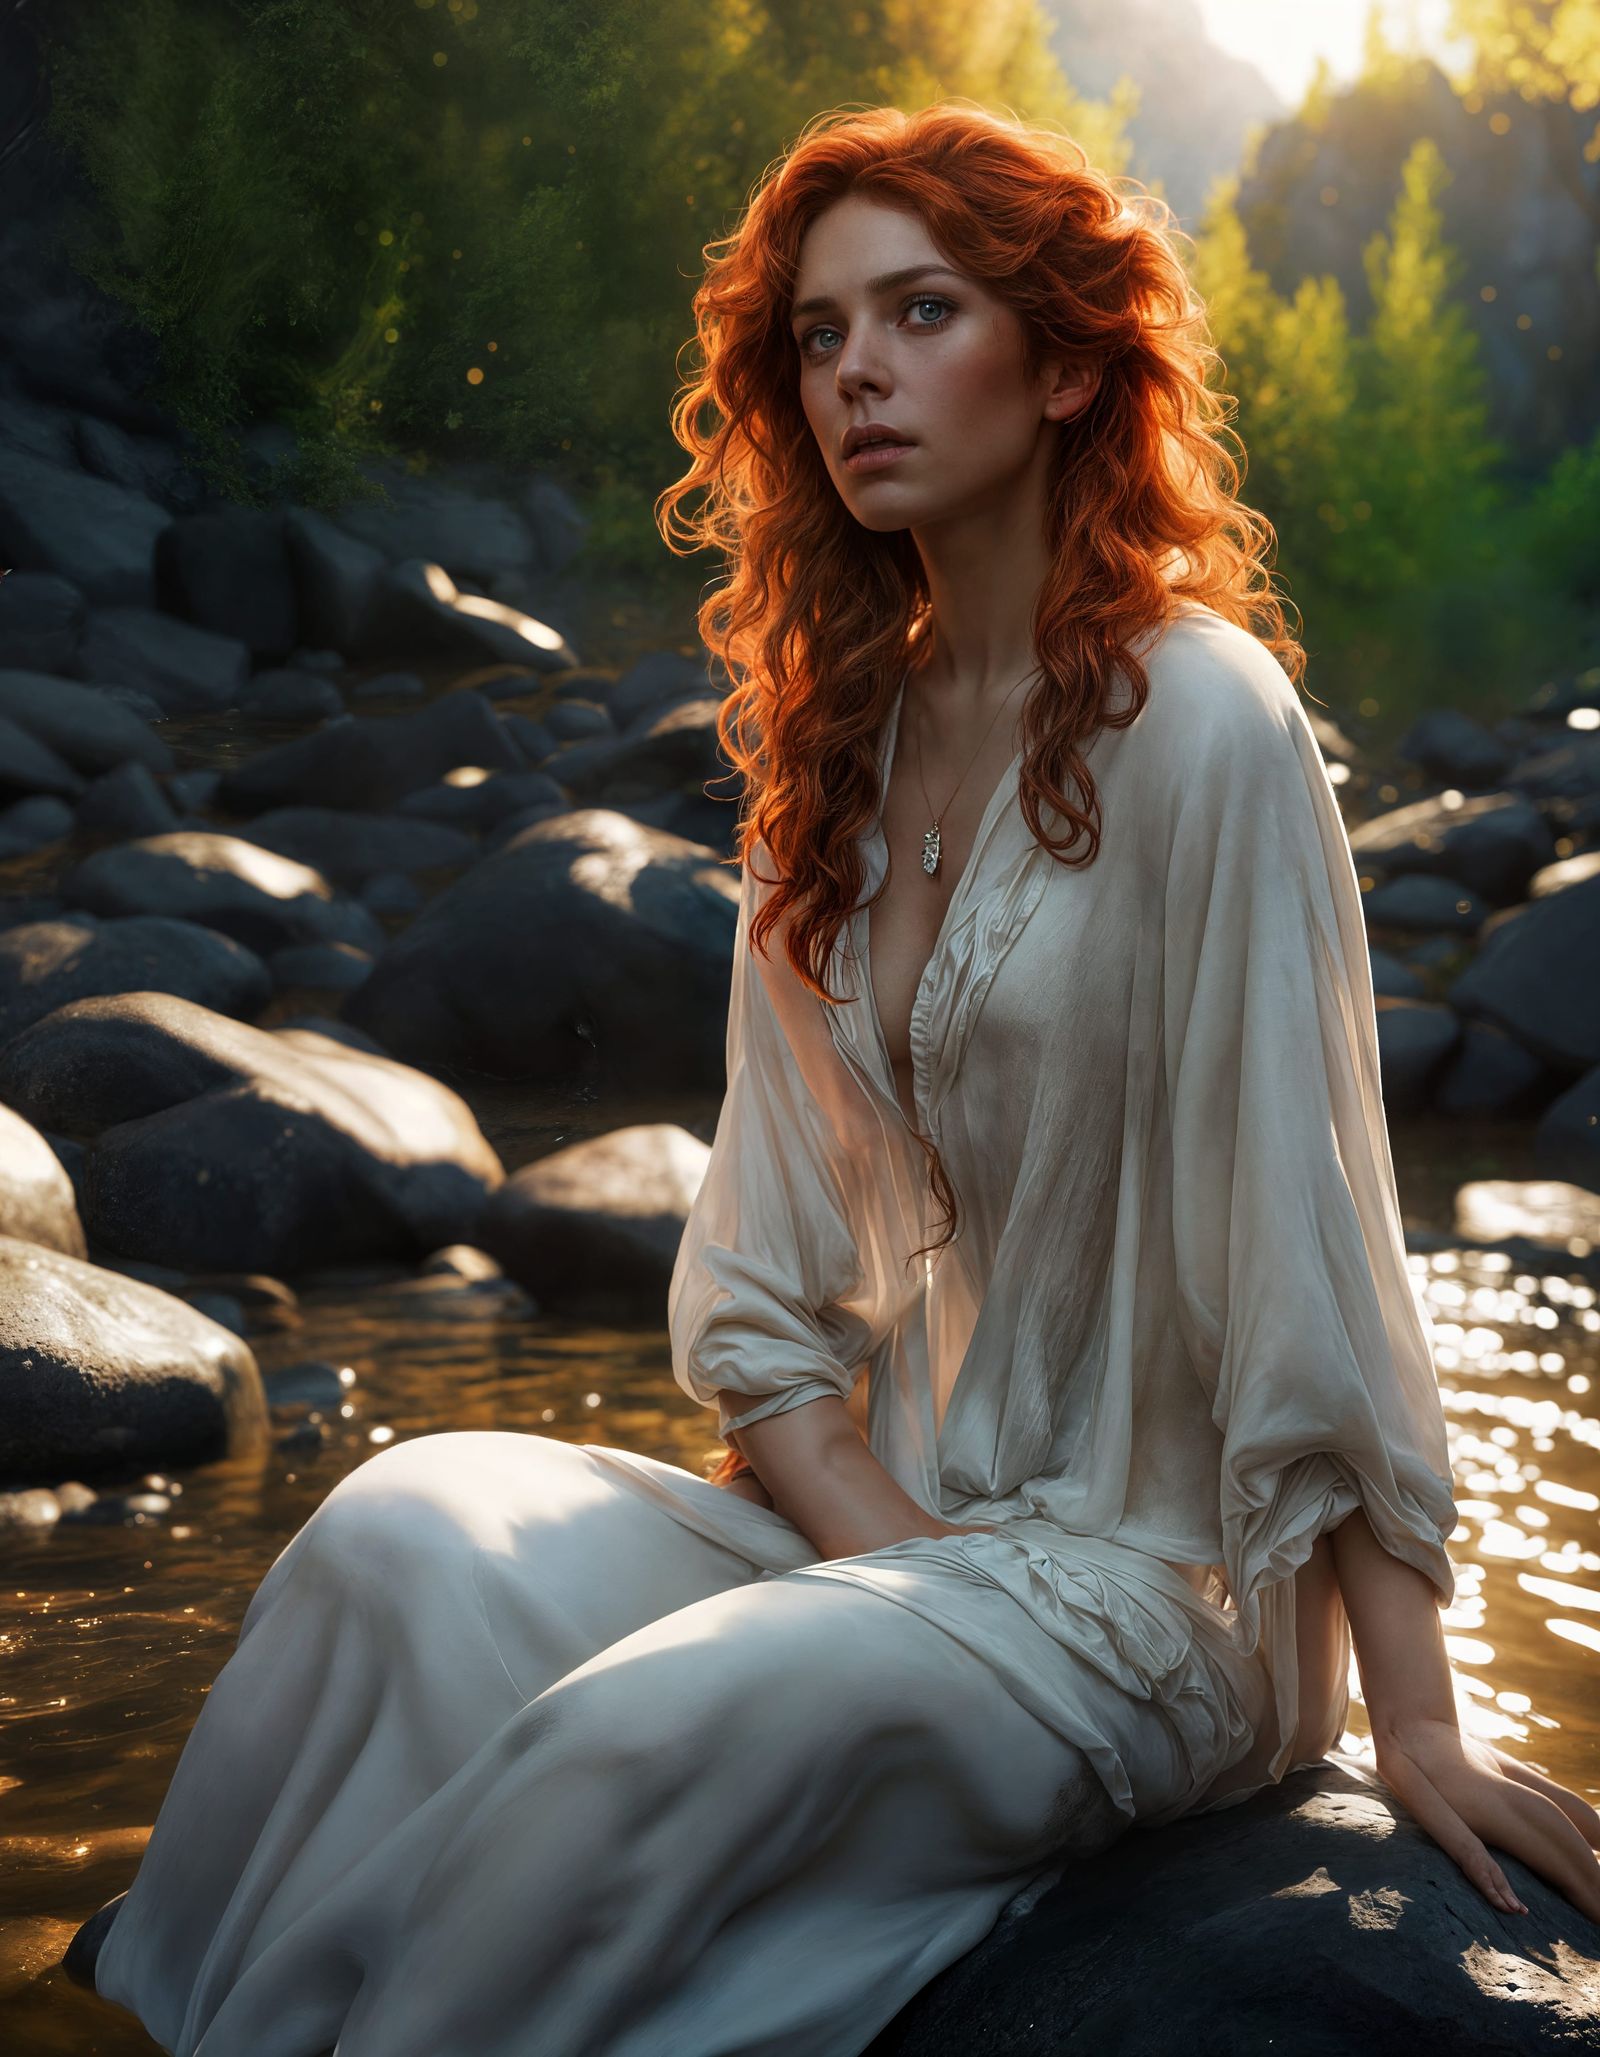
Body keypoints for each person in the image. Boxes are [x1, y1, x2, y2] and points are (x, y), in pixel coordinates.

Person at [71, 100, 1600, 2056]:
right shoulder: (844, 760)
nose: (855, 368)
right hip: (911, 1535)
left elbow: (1316, 1254)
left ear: (1060, 366)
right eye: (815, 332)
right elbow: (768, 1309)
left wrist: (1421, 1725)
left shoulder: (1202, 718)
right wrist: (899, 1569)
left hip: (1151, 1610)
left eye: (919, 311)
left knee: (633, 1732)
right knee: (403, 1530)